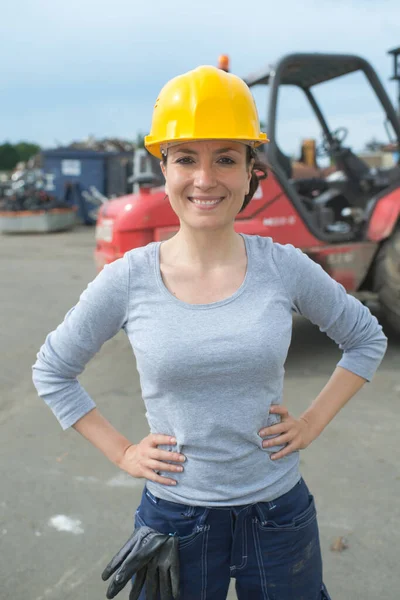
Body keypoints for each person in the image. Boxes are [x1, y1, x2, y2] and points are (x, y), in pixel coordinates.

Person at [32, 65, 387, 600]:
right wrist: (123, 452)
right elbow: (53, 371)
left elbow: (366, 337)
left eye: (225, 158)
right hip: (176, 519)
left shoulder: (284, 266)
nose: (205, 178)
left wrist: (312, 422)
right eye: (186, 159)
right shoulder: (129, 278)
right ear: (164, 170)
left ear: (251, 172)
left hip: (279, 516)